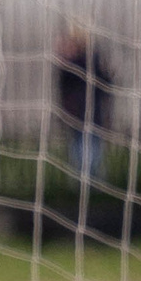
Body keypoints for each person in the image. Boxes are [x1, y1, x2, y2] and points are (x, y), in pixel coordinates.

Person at [53, 22, 114, 180]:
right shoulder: (70, 63)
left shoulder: (88, 60)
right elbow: (64, 86)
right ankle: (82, 181)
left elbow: (103, 84)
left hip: (90, 111)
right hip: (76, 112)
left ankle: (91, 181)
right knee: (80, 146)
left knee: (90, 147)